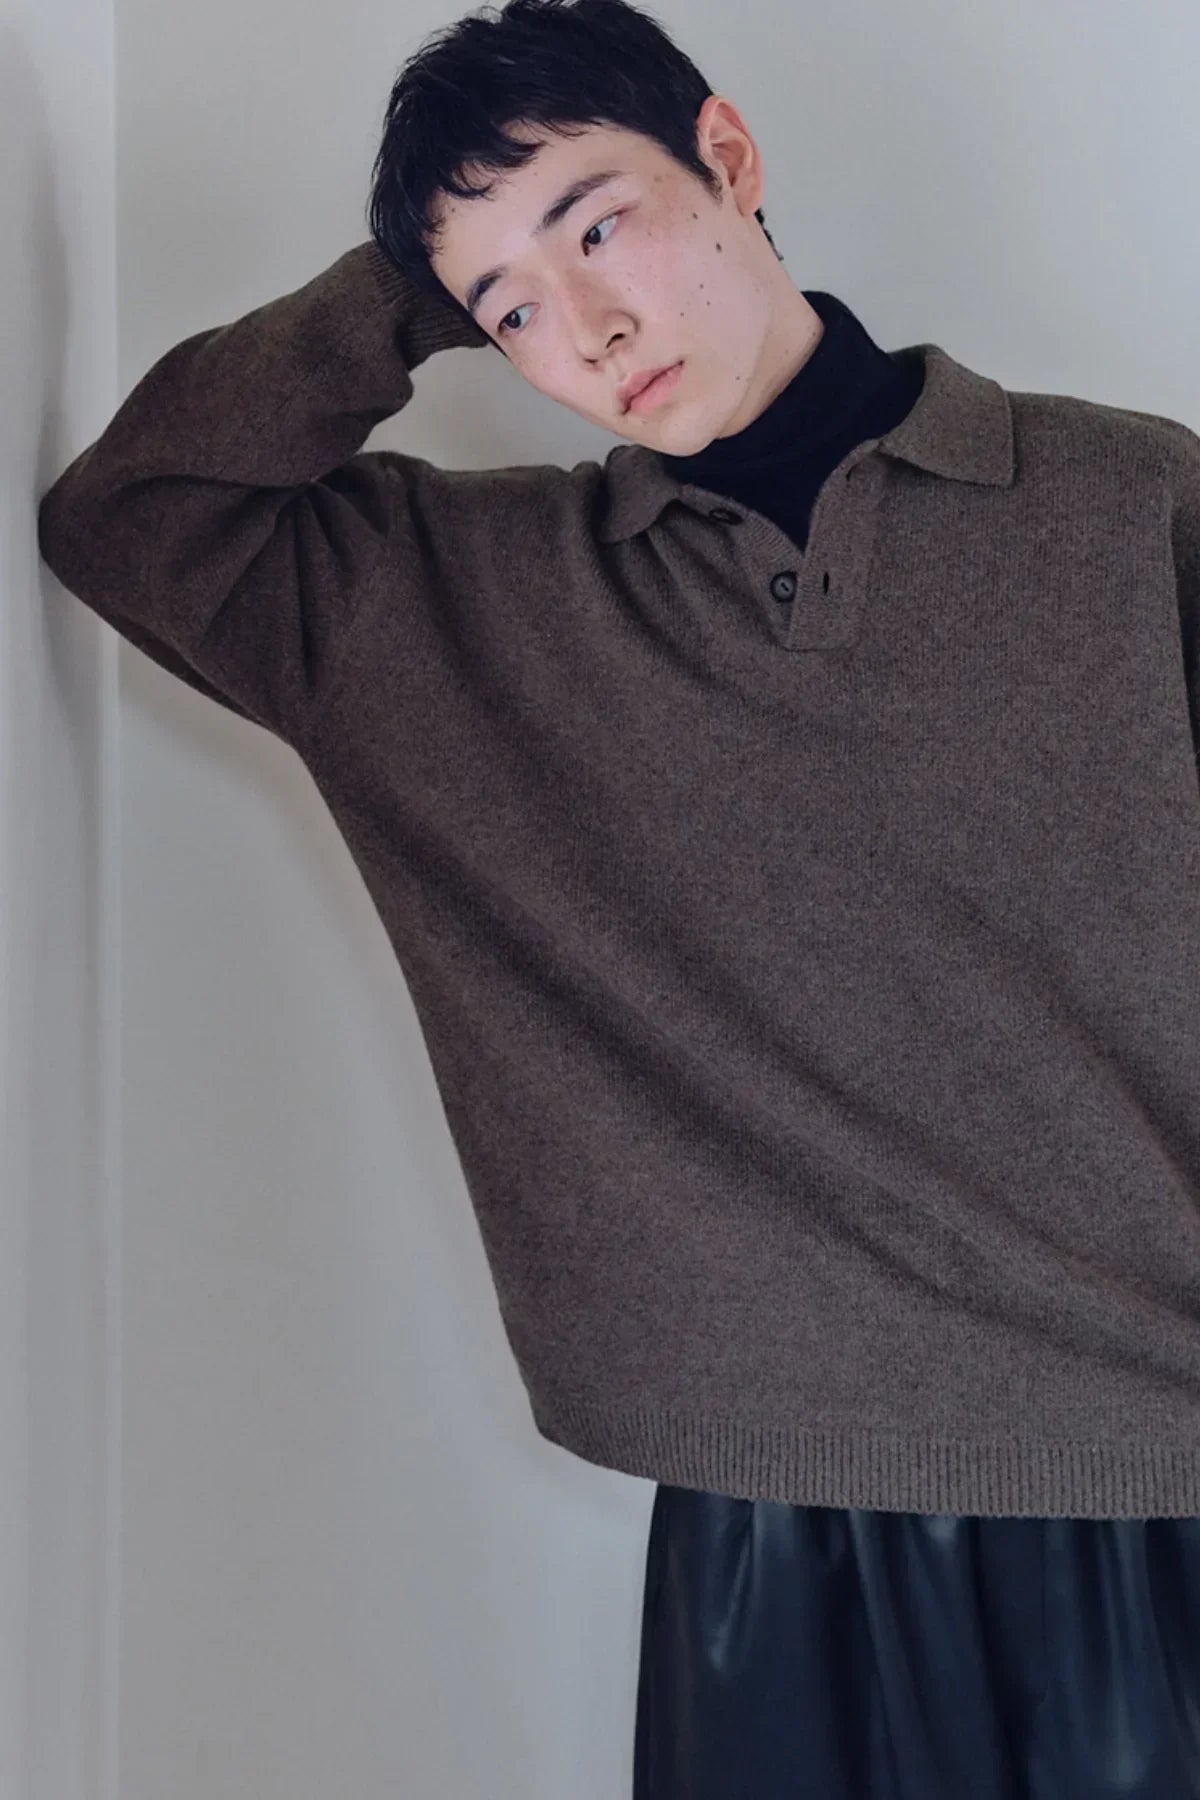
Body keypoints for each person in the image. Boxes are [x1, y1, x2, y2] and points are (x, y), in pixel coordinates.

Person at [36, 1, 1200, 1793]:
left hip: (1152, 1466)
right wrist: (403, 286)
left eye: (599, 222)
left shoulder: (1137, 506)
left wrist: (483, 240)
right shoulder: (465, 606)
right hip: (763, 1505)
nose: (582, 328)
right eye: (508, 309)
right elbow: (130, 516)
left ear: (729, 160)